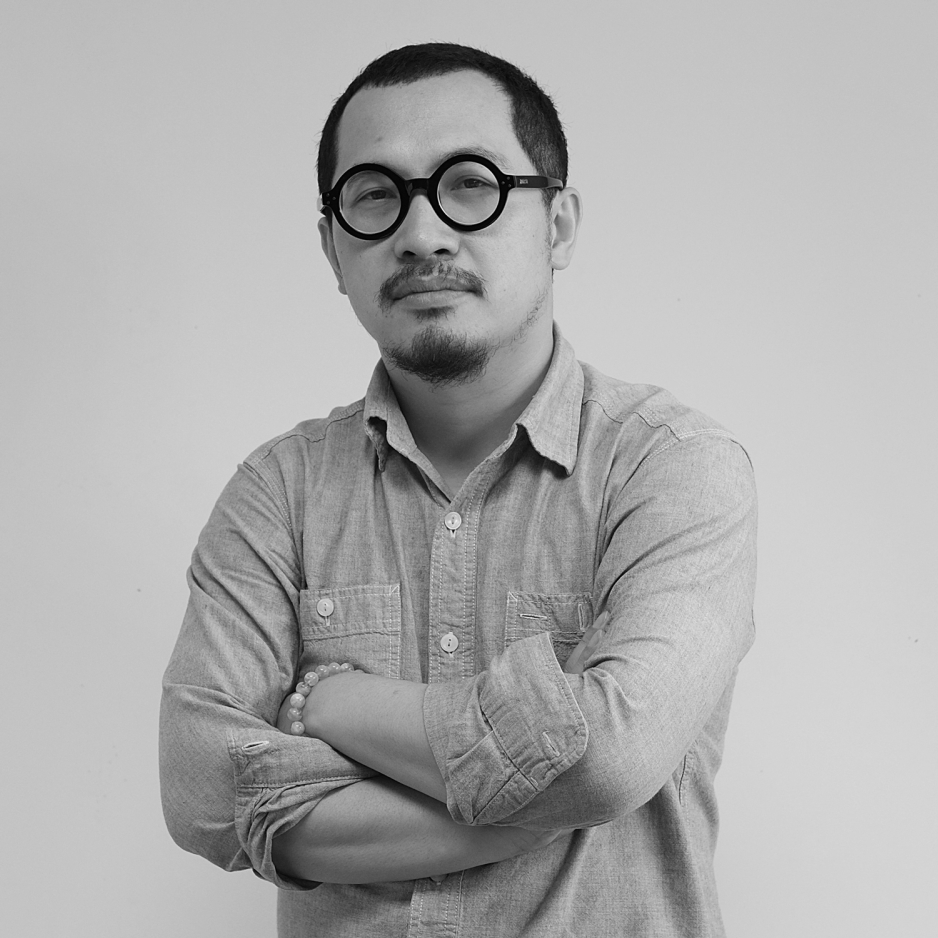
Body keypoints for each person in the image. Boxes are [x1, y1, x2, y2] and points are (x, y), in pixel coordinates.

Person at [159, 42, 757, 938]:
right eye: (374, 196)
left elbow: (609, 759)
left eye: (470, 184)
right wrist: (540, 801)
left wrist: (333, 703)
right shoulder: (277, 493)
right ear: (331, 248)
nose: (422, 233)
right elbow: (202, 790)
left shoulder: (672, 467)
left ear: (558, 225)